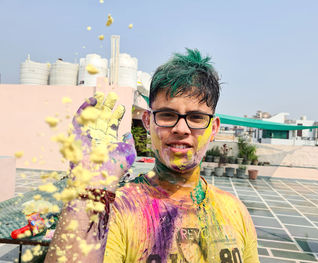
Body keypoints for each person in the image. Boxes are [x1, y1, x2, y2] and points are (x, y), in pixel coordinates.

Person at [45, 49, 259, 263]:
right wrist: (87, 191)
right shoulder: (116, 209)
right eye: (167, 115)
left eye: (196, 117)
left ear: (214, 129)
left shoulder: (236, 212)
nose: (181, 128)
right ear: (148, 121)